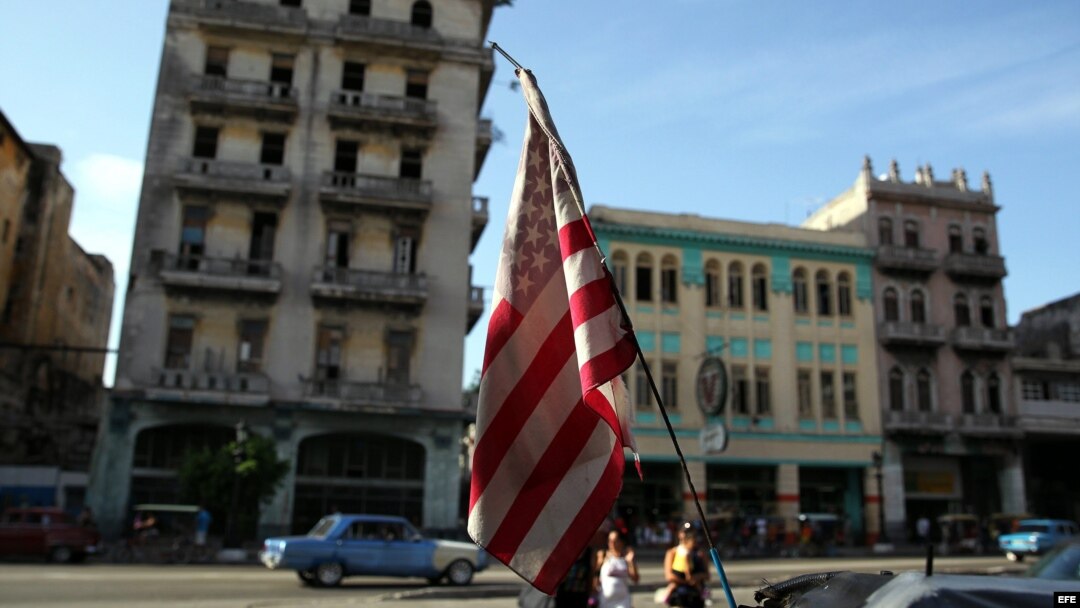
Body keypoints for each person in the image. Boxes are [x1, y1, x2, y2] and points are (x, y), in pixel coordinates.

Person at [662, 524, 708, 608]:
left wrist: (696, 577)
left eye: (690, 533)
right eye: (685, 532)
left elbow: (707, 574)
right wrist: (686, 581)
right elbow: (669, 576)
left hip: (696, 596)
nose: (687, 535)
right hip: (679, 596)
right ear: (679, 534)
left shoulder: (700, 553)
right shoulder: (672, 552)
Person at [594, 530, 639, 608]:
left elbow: (635, 579)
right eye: (610, 540)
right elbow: (595, 576)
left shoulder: (627, 557)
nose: (612, 543)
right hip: (605, 600)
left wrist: (631, 562)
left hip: (623, 601)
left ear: (621, 542)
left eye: (615, 540)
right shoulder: (603, 555)